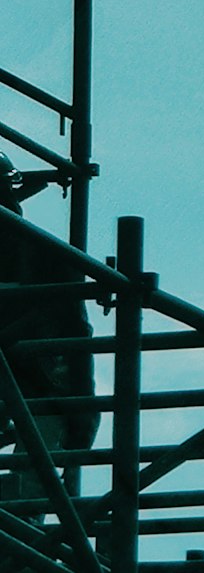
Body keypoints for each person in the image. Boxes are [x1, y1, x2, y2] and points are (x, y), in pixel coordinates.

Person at [0, 154, 99, 524]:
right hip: (33, 384)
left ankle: (23, 540)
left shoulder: (43, 255)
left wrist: (81, 409)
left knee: (29, 488)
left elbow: (72, 332)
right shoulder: (43, 253)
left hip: (40, 384)